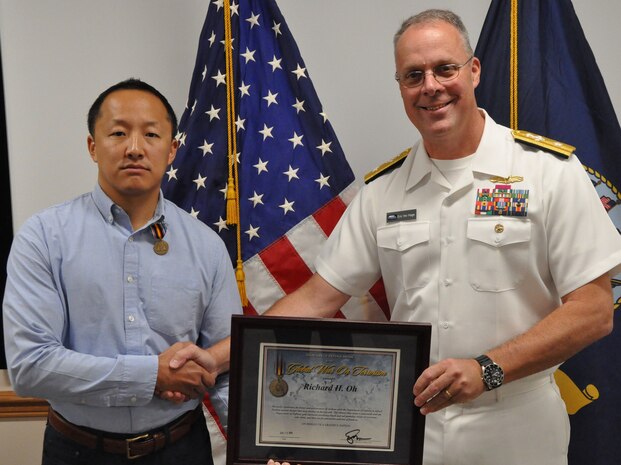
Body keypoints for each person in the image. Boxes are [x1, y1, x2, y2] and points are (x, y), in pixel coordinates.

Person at [170, 9, 621, 465]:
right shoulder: (383, 192)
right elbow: (318, 298)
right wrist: (216, 358)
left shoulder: (549, 174)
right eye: (413, 75)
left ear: (474, 70)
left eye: (445, 68)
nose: (431, 86)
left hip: (517, 425)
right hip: (413, 428)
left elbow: (594, 310)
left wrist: (487, 369)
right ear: (401, 87)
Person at [2, 78, 241, 465]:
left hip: (182, 450)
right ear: (92, 147)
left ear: (172, 150)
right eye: (118, 133)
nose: (134, 148)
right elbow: (31, 366)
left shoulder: (206, 246)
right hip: (77, 451)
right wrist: (153, 375)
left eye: (151, 134)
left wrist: (257, 447)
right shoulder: (43, 237)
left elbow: (226, 366)